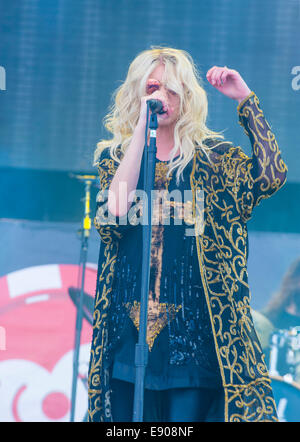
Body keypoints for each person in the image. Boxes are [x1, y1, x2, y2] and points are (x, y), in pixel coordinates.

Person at [87, 47, 288, 422]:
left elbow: (270, 176)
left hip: (195, 340)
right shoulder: (116, 160)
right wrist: (138, 133)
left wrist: (246, 101)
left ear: (188, 98)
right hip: (129, 336)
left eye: (172, 90)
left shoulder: (215, 160)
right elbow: (111, 216)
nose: (161, 97)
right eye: (152, 87)